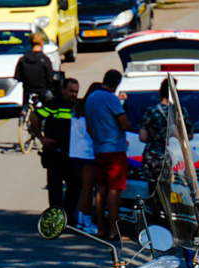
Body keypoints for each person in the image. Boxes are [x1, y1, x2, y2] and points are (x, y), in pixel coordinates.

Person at [138, 78, 193, 222]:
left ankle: (156, 221)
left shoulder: (150, 111)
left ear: (160, 92)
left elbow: (142, 137)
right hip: (172, 157)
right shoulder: (181, 113)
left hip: (153, 155)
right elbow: (189, 136)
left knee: (152, 190)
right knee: (167, 190)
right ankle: (169, 221)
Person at [85, 69, 131, 241]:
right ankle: (114, 230)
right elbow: (125, 124)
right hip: (115, 149)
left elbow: (89, 126)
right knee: (114, 190)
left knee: (101, 189)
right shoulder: (111, 99)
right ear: (116, 83)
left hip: (99, 149)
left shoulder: (91, 98)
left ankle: (100, 228)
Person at [31, 78, 81, 219]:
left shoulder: (79, 105)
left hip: (73, 153)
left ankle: (68, 217)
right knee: (55, 188)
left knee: (75, 186)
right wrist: (41, 138)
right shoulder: (53, 104)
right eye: (71, 91)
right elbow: (35, 118)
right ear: (63, 90)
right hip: (55, 152)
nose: (74, 95)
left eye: (76, 92)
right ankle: (55, 217)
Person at [70, 82, 103, 235]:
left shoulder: (78, 107)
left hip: (76, 152)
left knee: (85, 189)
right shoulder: (90, 108)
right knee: (88, 190)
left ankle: (82, 221)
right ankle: (87, 223)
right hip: (88, 153)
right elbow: (91, 131)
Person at [14, 32, 55, 107]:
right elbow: (50, 78)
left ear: (30, 43)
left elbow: (18, 77)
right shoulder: (45, 60)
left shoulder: (23, 60)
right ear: (42, 43)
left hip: (28, 92)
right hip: (42, 92)